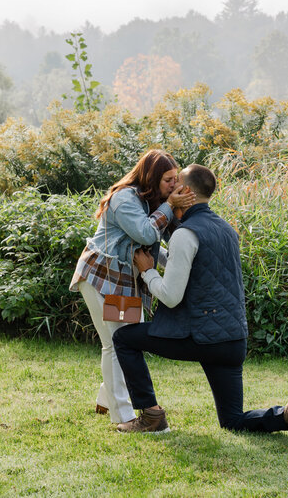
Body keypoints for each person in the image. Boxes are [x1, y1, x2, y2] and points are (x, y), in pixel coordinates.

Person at [112, 164, 288, 444]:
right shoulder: (226, 229)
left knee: (124, 338)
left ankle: (151, 417)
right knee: (232, 420)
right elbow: (197, 269)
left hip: (201, 337)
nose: (171, 190)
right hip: (232, 339)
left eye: (176, 185)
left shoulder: (185, 234)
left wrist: (147, 271)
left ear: (185, 191)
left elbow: (171, 295)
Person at [69, 149, 196, 425]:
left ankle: (106, 399)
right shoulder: (124, 198)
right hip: (102, 277)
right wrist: (168, 205)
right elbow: (146, 234)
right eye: (168, 180)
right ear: (151, 177)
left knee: (126, 340)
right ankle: (122, 415)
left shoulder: (152, 202)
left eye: (175, 179)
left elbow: (155, 247)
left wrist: (181, 262)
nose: (173, 185)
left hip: (124, 282)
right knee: (114, 344)